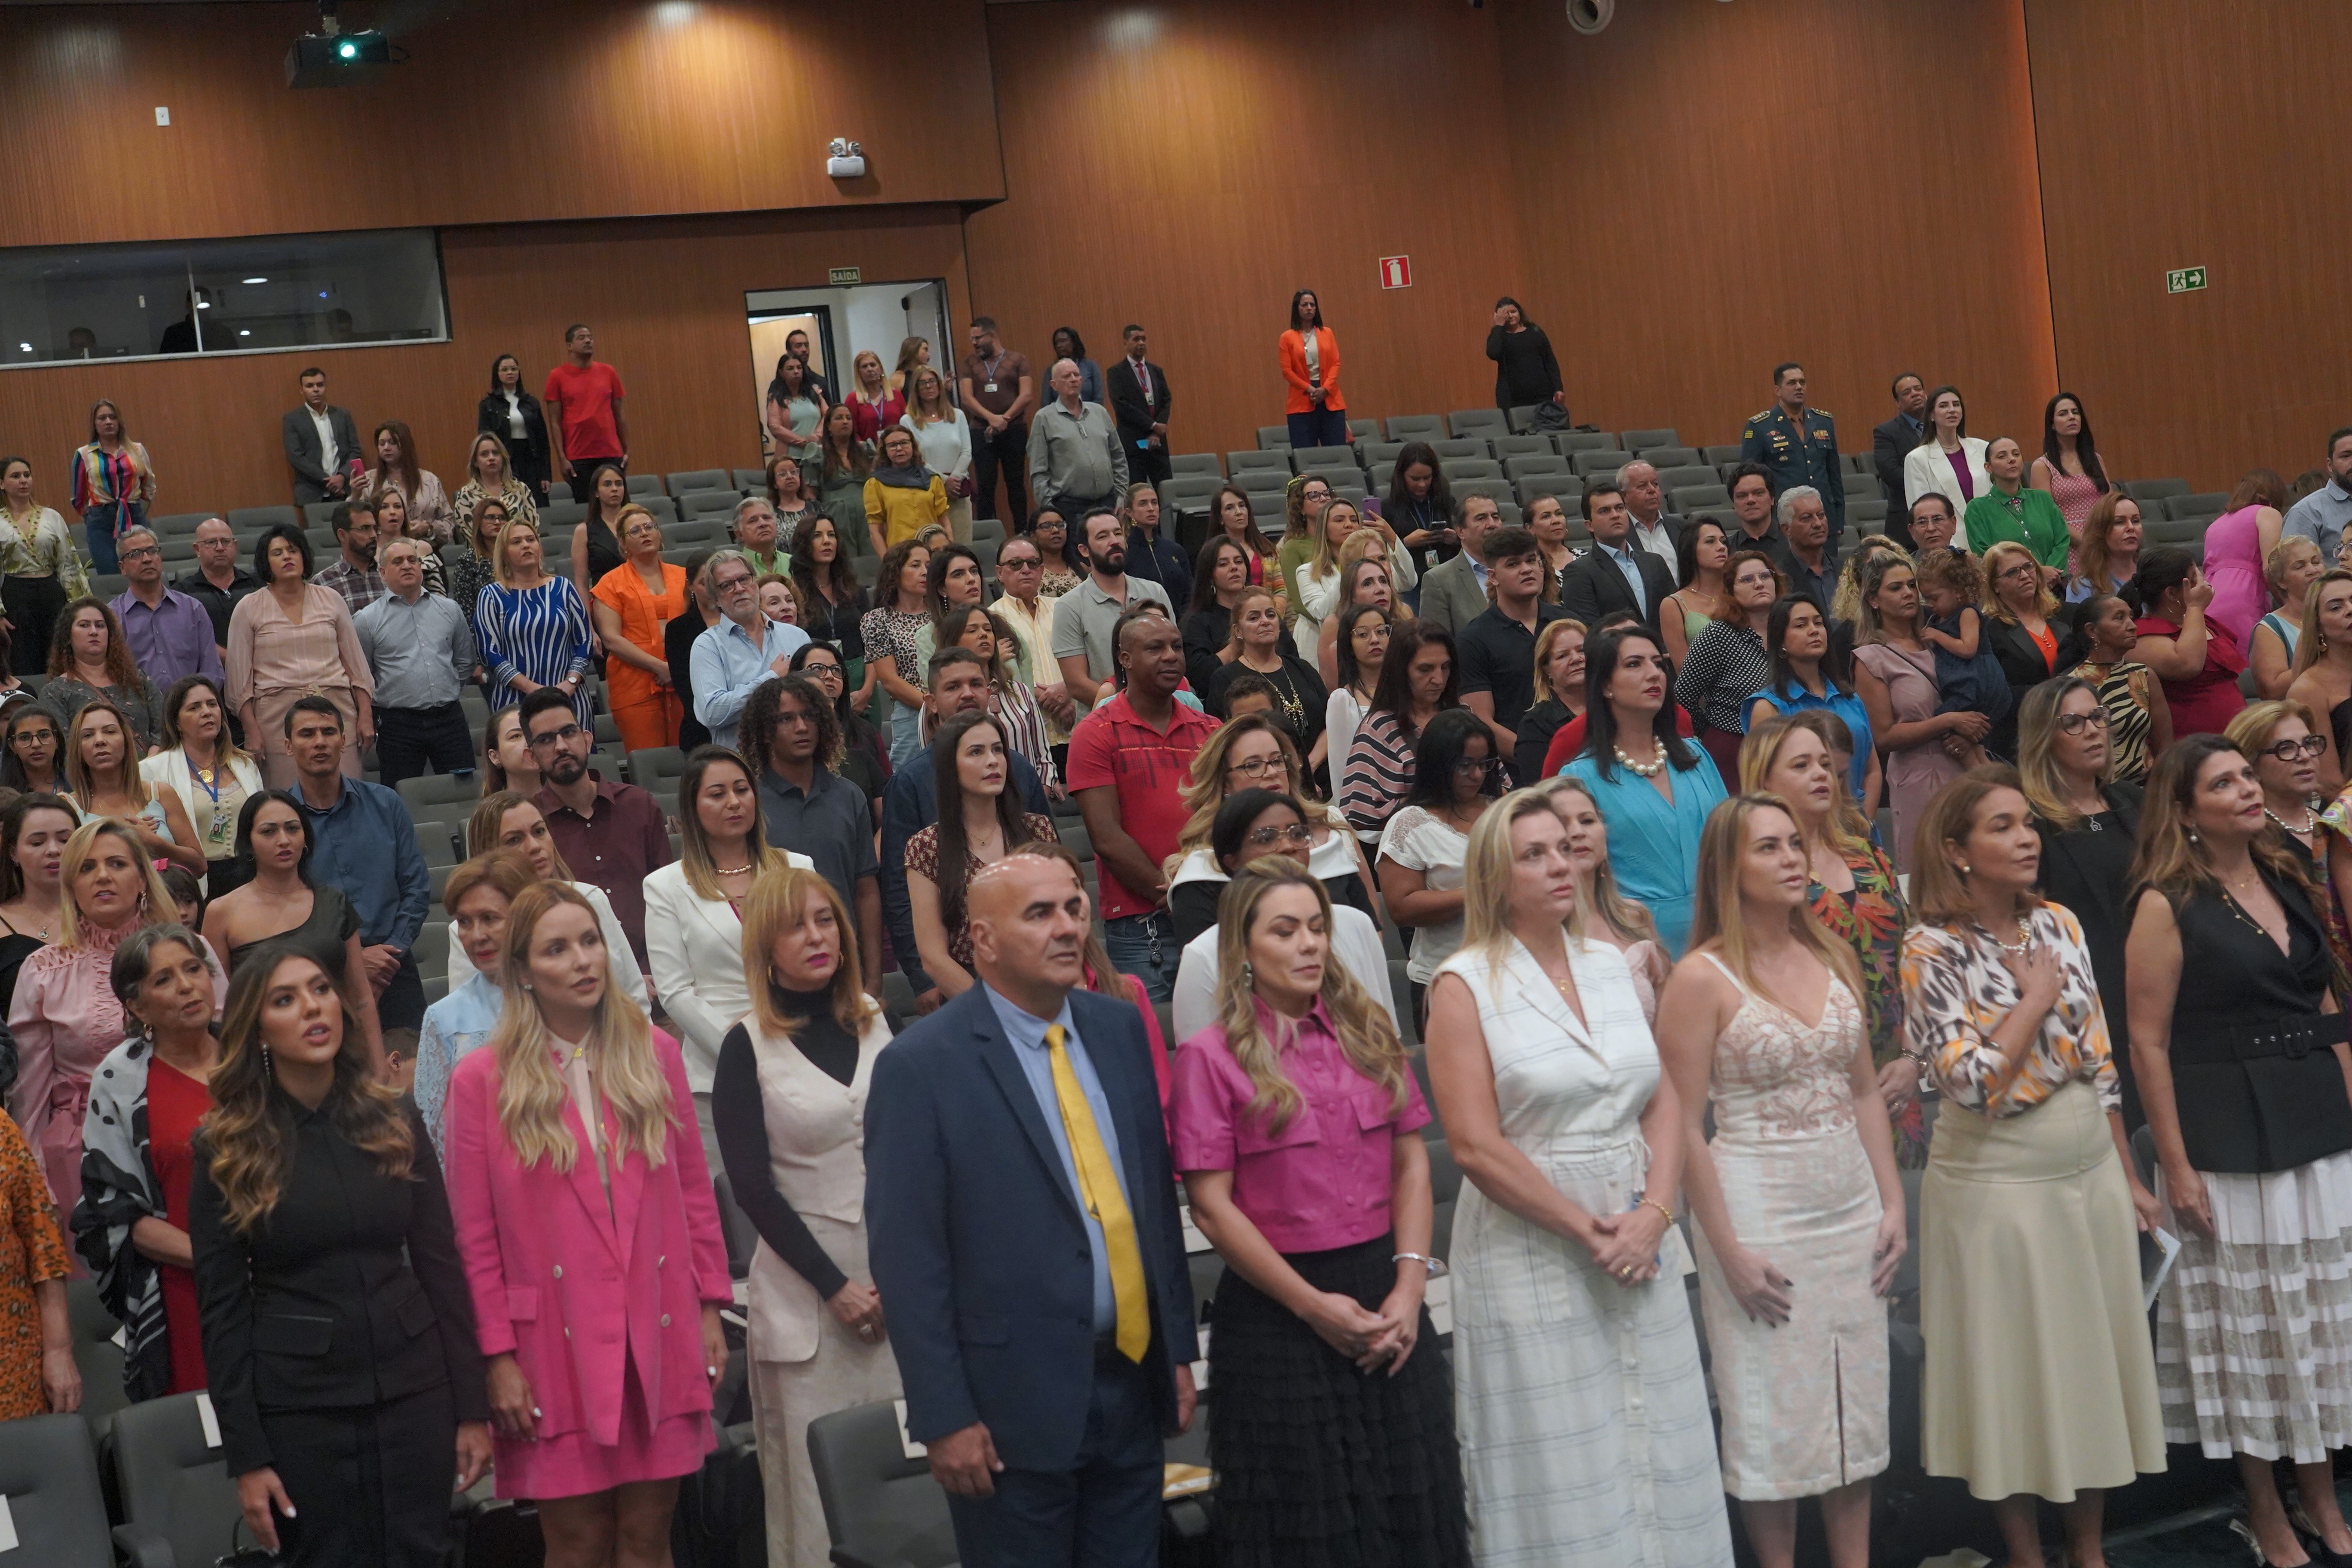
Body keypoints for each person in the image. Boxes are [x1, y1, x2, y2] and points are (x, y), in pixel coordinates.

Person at [1419, 788, 1728, 1564]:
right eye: (1535, 854)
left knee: (1661, 1440)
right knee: (1562, 1461)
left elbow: (1662, 1096)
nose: (1562, 863)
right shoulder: (1463, 983)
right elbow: (1474, 1146)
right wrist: (1590, 1230)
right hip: (1534, 1245)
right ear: (1495, 876)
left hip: (1640, 1228)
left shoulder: (1608, 962)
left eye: (1564, 846)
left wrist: (1655, 1211)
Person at [865, 847, 1198, 1568]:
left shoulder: (1117, 1028)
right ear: (983, 939)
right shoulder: (921, 1065)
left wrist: (1177, 1349)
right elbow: (909, 1261)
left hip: (1132, 1383)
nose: (1069, 926)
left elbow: (1152, 1205)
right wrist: (944, 1414)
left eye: (1074, 906)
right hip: (1007, 1407)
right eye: (1040, 913)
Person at [1901, 767, 2163, 1568]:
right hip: (1997, 1183)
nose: (2026, 839)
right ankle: (2026, 1555)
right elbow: (1971, 1082)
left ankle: (2089, 1551)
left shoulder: (2059, 922)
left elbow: (2103, 1061)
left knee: (2090, 1366)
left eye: (2027, 823)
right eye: (2003, 826)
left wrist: (2128, 1175)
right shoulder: (1930, 946)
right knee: (2012, 1375)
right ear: (1957, 850)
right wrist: (2035, 999)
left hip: (2087, 1169)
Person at [1171, 857, 1468, 1566]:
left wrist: (1410, 1286)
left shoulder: (1367, 1031)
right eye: (1285, 930)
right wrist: (1312, 1306)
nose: (1308, 943)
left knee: (1414, 1504)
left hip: (1387, 1295)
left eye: (1316, 927)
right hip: (1280, 1312)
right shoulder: (1211, 1055)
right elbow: (1211, 1206)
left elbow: (1410, 1163)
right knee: (1308, 1526)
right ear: (1243, 947)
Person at [442, 880, 730, 1561]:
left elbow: (695, 1194)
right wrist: (496, 1358)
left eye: (590, 941)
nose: (582, 960)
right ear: (522, 972)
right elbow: (473, 1241)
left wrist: (710, 1308)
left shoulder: (656, 1054)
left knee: (648, 1537)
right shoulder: (481, 1080)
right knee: (578, 1544)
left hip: (657, 1325)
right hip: (548, 1343)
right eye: (557, 949)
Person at [1654, 793, 1903, 1568]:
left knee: (1855, 1411)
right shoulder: (1699, 977)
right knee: (1772, 1421)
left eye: (1794, 843)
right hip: (1759, 1204)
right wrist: (1724, 1250)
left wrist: (1893, 1200)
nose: (1792, 858)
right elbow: (1680, 1123)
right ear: (1727, 867)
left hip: (1850, 1201)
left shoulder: (1831, 953)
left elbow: (1864, 1091)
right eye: (1768, 847)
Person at [2121, 737, 2352, 1566]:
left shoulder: (2286, 873)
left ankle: (2320, 1493)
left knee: (2318, 1318)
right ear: (2186, 811)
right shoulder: (2166, 901)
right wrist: (2175, 1165)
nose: (2249, 789)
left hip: (2317, 1116)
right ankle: (2262, 1504)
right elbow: (2146, 1044)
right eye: (2224, 782)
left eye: (2248, 775)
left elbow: (2324, 1003)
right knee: (2250, 1330)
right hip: (2225, 1133)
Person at [189, 942, 492, 1564]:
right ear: (257, 1030)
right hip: (301, 1406)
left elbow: (441, 1266)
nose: (312, 1007)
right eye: (285, 999)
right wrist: (247, 1456)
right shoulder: (227, 1146)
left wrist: (472, 1409)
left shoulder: (394, 1117)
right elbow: (222, 1311)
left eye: (321, 989)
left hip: (415, 1388)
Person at [712, 866, 901, 1568]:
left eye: (826, 920)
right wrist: (836, 1287)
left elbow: (914, 1147)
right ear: (766, 946)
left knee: (914, 1478)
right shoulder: (746, 1044)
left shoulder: (875, 1017)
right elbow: (753, 1188)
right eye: (796, 925)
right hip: (808, 1293)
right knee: (820, 1498)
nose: (817, 936)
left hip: (899, 1278)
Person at [11, 816, 200, 1217]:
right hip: (79, 1151)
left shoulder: (192, 953)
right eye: (87, 867)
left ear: (143, 878)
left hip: (190, 1137)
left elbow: (226, 1054)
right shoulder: (43, 970)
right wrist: (33, 1185)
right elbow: (29, 1093)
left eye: (117, 864)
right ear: (71, 886)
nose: (102, 877)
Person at [72, 922, 222, 1401]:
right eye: (164, 980)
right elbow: (118, 1215)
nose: (187, 986)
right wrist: (221, 1259)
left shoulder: (257, 1056)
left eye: (193, 969)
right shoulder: (121, 1080)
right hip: (189, 1289)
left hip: (288, 1276)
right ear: (137, 1006)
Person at [644, 747, 810, 1153]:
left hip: (803, 1052)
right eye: (717, 794)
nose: (734, 802)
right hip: (719, 1069)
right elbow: (675, 991)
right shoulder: (664, 887)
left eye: (742, 790)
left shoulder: (798, 869)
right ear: (692, 807)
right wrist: (743, 1049)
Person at [878, 651, 1051, 1009]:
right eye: (953, 686)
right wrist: (922, 977)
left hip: (1043, 981)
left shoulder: (1023, 780)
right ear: (932, 702)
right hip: (964, 985)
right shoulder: (911, 786)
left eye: (976, 684)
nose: (967, 694)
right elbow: (898, 890)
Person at [1067, 610, 1218, 1000]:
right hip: (1141, 925)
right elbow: (1106, 837)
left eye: (1177, 647)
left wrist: (1197, 899)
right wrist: (1172, 896)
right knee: (1151, 1034)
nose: (1171, 656)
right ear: (1125, 659)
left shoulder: (1211, 731)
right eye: (1155, 648)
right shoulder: (1095, 733)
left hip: (1214, 913)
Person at [2014, 679, 2146, 1124]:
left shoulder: (2132, 800)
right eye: (2072, 722)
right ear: (2043, 737)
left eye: (2097, 717)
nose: (2092, 730)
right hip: (2087, 1001)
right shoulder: (2031, 824)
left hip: (2154, 986)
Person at [1168, 780, 1394, 1035]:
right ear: (1232, 861)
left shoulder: (1356, 925)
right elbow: (1199, 1053)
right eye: (1266, 838)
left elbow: (1385, 1037)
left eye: (1297, 834)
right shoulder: (1205, 953)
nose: (1288, 846)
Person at [283, 697, 428, 1052]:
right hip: (324, 978)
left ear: (343, 740)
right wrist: (353, 962)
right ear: (288, 746)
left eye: (328, 732)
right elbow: (282, 906)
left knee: (415, 1075)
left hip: (395, 969)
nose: (319, 742)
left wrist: (389, 955)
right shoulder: (282, 824)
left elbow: (416, 886)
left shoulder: (386, 803)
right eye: (307, 734)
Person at [1163, 715, 1374, 938]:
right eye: (1253, 765)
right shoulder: (1203, 870)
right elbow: (1205, 956)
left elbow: (1370, 933)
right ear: (1225, 782)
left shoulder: (1330, 836)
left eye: (1277, 761)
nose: (1272, 772)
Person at [905, 709, 1059, 1002]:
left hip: (1045, 981)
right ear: (950, 766)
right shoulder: (926, 846)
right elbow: (933, 957)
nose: (992, 760)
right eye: (976, 752)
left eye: (998, 750)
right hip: (972, 994)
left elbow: (1063, 920)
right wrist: (999, 1010)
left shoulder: (1037, 830)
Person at [515, 685, 673, 970]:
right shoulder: (529, 825)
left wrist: (654, 972)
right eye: (546, 740)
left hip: (661, 972)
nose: (561, 746)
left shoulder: (638, 805)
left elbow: (669, 899)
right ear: (531, 757)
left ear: (587, 740)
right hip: (577, 978)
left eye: (569, 733)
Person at [739, 675, 883, 982]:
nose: (802, 727)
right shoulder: (749, 803)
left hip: (845, 969)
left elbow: (866, 892)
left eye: (809, 716)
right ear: (765, 731)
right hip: (773, 973)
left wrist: (873, 979)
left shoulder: (849, 796)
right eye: (786, 719)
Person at [446, 789, 648, 1008]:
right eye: (514, 840)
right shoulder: (467, 930)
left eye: (539, 831)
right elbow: (462, 1013)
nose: (534, 846)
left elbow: (633, 995)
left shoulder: (589, 900)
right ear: (489, 854)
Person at [1852, 553, 1977, 871]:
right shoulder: (1871, 658)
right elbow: (1884, 737)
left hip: (1968, 763)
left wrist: (1972, 728)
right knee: (1932, 873)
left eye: (1911, 585)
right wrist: (1949, 721)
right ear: (1874, 600)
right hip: (1919, 775)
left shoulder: (1941, 638)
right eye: (1896, 588)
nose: (1908, 593)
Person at [227, 523, 374, 788]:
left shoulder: (331, 599)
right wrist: (251, 730)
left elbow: (358, 669)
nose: (287, 557)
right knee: (288, 800)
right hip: (276, 719)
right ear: (266, 563)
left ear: (304, 556)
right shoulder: (248, 608)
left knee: (346, 793)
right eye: (277, 553)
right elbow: (239, 683)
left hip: (336, 710)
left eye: (293, 550)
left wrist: (365, 715)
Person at [1378, 708, 1502, 1015]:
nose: (1477, 775)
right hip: (1443, 979)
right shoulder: (1411, 823)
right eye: (1464, 766)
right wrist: (1480, 893)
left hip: (1506, 973)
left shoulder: (1502, 810)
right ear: (1439, 764)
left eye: (1483, 764)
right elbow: (1402, 908)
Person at [411, 851, 531, 1153]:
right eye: (464, 922)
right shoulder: (444, 1019)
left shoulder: (564, 999)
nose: (477, 936)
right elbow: (436, 1133)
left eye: (489, 918)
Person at [354, 538, 477, 788]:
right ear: (383, 572)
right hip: (399, 725)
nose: (407, 565)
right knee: (399, 794)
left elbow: (465, 661)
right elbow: (363, 674)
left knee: (465, 790)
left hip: (449, 719)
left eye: (413, 560)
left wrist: (447, 686)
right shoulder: (366, 620)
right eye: (398, 561)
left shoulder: (449, 609)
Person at [1747, 596, 1882, 807]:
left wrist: (1865, 821)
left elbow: (1872, 771)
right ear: (1781, 642)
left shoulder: (1849, 698)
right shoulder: (1768, 707)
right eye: (1801, 625)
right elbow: (1761, 784)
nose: (1814, 631)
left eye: (1818, 623)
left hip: (1857, 820)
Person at [1339, 621, 1458, 847]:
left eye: (1445, 667)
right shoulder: (1378, 728)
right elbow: (1361, 815)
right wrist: (1437, 804)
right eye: (1425, 669)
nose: (1439, 679)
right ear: (1401, 671)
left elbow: (1499, 783)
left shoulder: (1462, 716)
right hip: (1410, 849)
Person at [1457, 526, 1567, 764]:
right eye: (1513, 564)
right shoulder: (1473, 639)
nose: (1526, 569)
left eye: (1531, 560)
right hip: (1520, 768)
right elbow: (1481, 721)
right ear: (1493, 576)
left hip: (1583, 757)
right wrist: (1539, 757)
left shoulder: (1569, 625)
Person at [63, 696, 205, 878]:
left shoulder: (161, 794)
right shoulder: (67, 807)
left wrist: (157, 844)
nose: (99, 741)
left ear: (125, 739)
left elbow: (200, 866)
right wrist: (121, 836)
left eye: (109, 731)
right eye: (88, 735)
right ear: (78, 748)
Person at [1053, 510, 1175, 718]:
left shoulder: (1154, 592)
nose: (1114, 541)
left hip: (1162, 714)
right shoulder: (1070, 606)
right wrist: (1133, 709)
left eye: (1118, 533)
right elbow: (1076, 684)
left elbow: (1173, 654)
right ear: (1084, 550)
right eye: (1102, 536)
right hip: (1105, 721)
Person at [477, 513, 594, 730]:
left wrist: (570, 683)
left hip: (570, 698)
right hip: (516, 703)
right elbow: (489, 652)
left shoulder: (563, 587)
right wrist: (533, 689)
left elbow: (585, 640)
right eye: (516, 542)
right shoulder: (491, 595)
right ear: (504, 553)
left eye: (531, 540)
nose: (526, 545)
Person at [1673, 551, 1783, 782]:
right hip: (1734, 748)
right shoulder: (1718, 634)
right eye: (1747, 579)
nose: (1759, 584)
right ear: (1731, 590)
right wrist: (1712, 728)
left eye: (1765, 576)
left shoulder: (1790, 629)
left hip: (1787, 744)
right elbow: (1683, 696)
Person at [587, 507, 687, 754]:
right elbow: (611, 639)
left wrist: (676, 668)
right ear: (623, 544)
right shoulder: (610, 583)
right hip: (635, 686)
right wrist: (660, 667)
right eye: (635, 530)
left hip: (683, 680)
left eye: (649, 527)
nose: (644, 533)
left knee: (690, 756)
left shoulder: (684, 577)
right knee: (649, 759)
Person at [1208, 587, 1327, 765]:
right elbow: (1224, 740)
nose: (1265, 621)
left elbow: (1330, 723)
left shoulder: (1302, 667)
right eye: (1254, 618)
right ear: (1238, 631)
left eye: (1271, 615)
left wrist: (1309, 766)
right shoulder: (1225, 678)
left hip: (1320, 773)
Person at [2138, 548, 2247, 740]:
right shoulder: (2143, 633)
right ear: (2171, 593)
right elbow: (2188, 665)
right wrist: (2195, 607)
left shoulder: (2201, 621)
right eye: (2194, 580)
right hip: (2192, 742)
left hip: (2237, 734)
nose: (2204, 585)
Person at [0, 457, 91, 676]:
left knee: (58, 658)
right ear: (2, 484)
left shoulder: (52, 517)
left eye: (27, 475)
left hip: (50, 592)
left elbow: (68, 563)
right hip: (15, 595)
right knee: (22, 659)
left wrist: (82, 607)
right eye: (16, 476)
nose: (23, 481)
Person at [42, 595, 166, 751]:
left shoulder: (139, 680)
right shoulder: (55, 693)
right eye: (84, 625)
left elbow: (164, 729)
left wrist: (152, 759)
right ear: (68, 636)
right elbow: (65, 749)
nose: (94, 632)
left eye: (100, 625)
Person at [1981, 538, 2068, 758]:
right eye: (2012, 572)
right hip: (2024, 739)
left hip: (2071, 729)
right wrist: (2052, 694)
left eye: (2028, 566)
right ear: (1995, 586)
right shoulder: (1990, 631)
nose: (2024, 575)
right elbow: (1998, 694)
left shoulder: (2063, 616)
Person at [2070, 595, 2170, 785]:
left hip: (2147, 786)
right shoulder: (2072, 685)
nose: (2132, 626)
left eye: (2131, 617)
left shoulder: (2144, 676)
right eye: (2119, 618)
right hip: (2099, 789)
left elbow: (2165, 746)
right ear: (2092, 630)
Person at [109, 525, 221, 691]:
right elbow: (107, 676)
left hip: (191, 704)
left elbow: (212, 670)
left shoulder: (192, 609)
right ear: (122, 568)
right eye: (135, 554)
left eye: (152, 551)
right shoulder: (111, 617)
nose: (147, 559)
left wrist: (192, 701)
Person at [0, 794, 77, 1024]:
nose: (54, 850)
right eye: (37, 843)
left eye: (65, 840)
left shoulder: (105, 916)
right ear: (13, 852)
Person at [1025, 358, 1128, 525]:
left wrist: (1121, 496)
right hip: (1069, 507)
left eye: (1076, 375)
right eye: (1067, 376)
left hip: (1107, 503)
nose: (1073, 379)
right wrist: (1050, 510)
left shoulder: (1099, 412)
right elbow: (1038, 470)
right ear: (1054, 385)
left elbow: (1118, 457)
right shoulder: (1044, 418)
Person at [958, 317, 1036, 534]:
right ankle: (987, 535)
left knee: (1016, 483)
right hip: (981, 430)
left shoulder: (1018, 359)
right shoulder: (969, 364)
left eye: (978, 338)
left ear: (992, 335)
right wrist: (991, 418)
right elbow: (967, 398)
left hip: (1014, 428)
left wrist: (1004, 419)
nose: (974, 343)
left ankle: (1022, 533)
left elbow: (1026, 395)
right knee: (985, 485)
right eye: (972, 339)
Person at [1560, 483, 1673, 631]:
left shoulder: (1655, 562)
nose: (1615, 515)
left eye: (1619, 508)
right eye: (1604, 511)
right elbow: (1588, 630)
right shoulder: (1579, 572)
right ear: (1589, 525)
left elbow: (1674, 613)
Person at [2201, 468, 2291, 644]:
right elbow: (2270, 567)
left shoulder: (2216, 524)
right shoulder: (2267, 513)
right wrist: (2287, 605)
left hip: (2209, 602)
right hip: (2244, 598)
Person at [70, 397, 155, 576]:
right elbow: (78, 497)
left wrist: (138, 509)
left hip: (134, 515)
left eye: (113, 417)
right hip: (100, 521)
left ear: (119, 421)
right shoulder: (84, 454)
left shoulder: (137, 450)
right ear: (94, 424)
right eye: (102, 418)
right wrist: (92, 516)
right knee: (110, 574)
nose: (108, 422)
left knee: (142, 569)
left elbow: (148, 485)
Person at [791, 514, 873, 697]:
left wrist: (867, 690)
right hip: (816, 681)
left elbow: (872, 645)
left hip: (860, 679)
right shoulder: (795, 593)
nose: (827, 541)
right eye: (817, 536)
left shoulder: (855, 590)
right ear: (804, 544)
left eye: (831, 535)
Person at [1962, 437, 2070, 572]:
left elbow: (2062, 539)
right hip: (2010, 582)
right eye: (2002, 456)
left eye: (2016, 454)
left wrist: (2049, 572)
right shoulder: (1977, 509)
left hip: (2055, 579)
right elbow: (1986, 554)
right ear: (1988, 467)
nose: (2012, 460)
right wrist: (2036, 573)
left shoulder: (2042, 498)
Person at [543, 323, 628, 491]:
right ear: (569, 346)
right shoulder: (557, 376)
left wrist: (627, 450)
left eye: (590, 337)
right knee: (586, 504)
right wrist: (562, 458)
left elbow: (620, 415)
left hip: (610, 452)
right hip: (578, 455)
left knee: (616, 500)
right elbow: (554, 422)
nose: (588, 341)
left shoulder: (609, 372)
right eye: (581, 338)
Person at [902, 365, 975, 542]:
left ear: (939, 385)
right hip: (927, 492)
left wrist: (954, 480)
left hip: (957, 491)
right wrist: (943, 481)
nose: (928, 386)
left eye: (932, 381)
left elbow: (966, 451)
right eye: (922, 383)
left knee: (962, 546)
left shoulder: (957, 416)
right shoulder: (908, 421)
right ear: (915, 389)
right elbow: (916, 457)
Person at [350, 422, 452, 547]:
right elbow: (352, 523)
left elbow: (449, 523)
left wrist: (428, 528)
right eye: (382, 443)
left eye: (393, 442)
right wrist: (355, 495)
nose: (386, 448)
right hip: (380, 551)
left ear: (405, 445)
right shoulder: (368, 480)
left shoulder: (429, 480)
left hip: (424, 548)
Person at [2029, 391, 2113, 542]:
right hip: (2067, 542)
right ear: (2052, 424)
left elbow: (2110, 503)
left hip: (2103, 540)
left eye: (2075, 412)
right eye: (2063, 414)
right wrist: (2085, 542)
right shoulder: (2042, 466)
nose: (2072, 417)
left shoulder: (2096, 459)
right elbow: (2047, 515)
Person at [2252, 535, 2327, 699]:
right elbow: (2272, 691)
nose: (2312, 570)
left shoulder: (2343, 612)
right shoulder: (2270, 628)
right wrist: (2328, 659)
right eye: (2300, 566)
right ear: (2281, 581)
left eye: (2316, 562)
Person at [863, 424, 951, 559]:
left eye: (904, 443)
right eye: (893, 445)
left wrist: (949, 554)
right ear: (885, 451)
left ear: (913, 446)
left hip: (934, 553)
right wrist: (888, 563)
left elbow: (944, 522)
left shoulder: (932, 479)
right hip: (900, 555)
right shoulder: (875, 484)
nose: (899, 449)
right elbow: (875, 531)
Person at [1371, 442, 1456, 581]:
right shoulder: (1388, 508)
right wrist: (1405, 544)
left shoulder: (1447, 501)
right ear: (1402, 476)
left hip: (1447, 575)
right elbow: (1378, 554)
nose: (1422, 484)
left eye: (1427, 478)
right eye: (1415, 479)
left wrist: (1456, 539)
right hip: (1408, 581)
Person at [662, 552, 721, 752]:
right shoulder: (678, 629)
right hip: (700, 732)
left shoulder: (742, 620)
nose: (712, 589)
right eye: (705, 583)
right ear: (690, 586)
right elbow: (687, 689)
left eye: (717, 582)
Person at [1901, 384, 1990, 516]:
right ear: (1931, 415)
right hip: (1947, 528)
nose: (1952, 410)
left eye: (1956, 405)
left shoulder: (1983, 448)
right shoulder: (1917, 459)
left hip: (1987, 526)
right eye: (1943, 406)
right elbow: (1921, 512)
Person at [1103, 323, 1172, 491]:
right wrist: (1152, 425)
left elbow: (1166, 399)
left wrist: (1157, 430)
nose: (1141, 343)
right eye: (1136, 339)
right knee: (1136, 492)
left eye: (1144, 339)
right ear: (1126, 343)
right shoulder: (1116, 373)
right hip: (1133, 443)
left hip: (1157, 443)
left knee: (1165, 490)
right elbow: (1121, 405)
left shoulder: (1156, 371)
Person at [281, 367, 362, 507]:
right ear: (302, 390)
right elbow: (296, 457)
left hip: (344, 490)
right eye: (310, 386)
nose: (316, 390)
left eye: (320, 385)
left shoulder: (342, 415)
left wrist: (342, 476)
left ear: (325, 387)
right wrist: (329, 481)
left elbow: (355, 450)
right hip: (311, 492)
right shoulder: (292, 419)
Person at [1514, 616, 1587, 771]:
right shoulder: (1535, 725)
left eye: (1582, 650)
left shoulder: (1617, 703)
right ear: (1547, 670)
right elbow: (1540, 783)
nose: (1576, 659)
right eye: (1562, 656)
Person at [477, 354, 553, 502]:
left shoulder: (531, 403)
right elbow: (484, 440)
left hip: (531, 460)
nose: (510, 373)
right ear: (497, 374)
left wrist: (546, 475)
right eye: (505, 370)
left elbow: (543, 442)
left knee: (536, 503)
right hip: (505, 460)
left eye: (514, 369)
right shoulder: (488, 405)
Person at [1278, 288, 1347, 449]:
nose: (1309, 308)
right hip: (1301, 399)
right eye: (1304, 305)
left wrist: (1325, 389)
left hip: (1329, 396)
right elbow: (1287, 371)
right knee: (1305, 454)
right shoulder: (1287, 337)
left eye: (1312, 305)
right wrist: (1310, 389)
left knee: (1337, 451)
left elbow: (1336, 363)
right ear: (1297, 308)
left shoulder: (1327, 333)